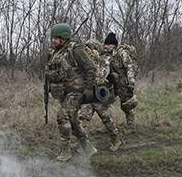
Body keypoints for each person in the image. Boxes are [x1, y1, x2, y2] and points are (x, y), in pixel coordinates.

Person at [45, 23, 97, 161]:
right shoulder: (55, 52)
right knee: (73, 122)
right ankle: (88, 148)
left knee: (62, 116)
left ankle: (65, 151)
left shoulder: (75, 49)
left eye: (56, 38)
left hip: (76, 91)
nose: (53, 41)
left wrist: (88, 88)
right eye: (53, 38)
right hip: (64, 92)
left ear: (64, 37)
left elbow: (91, 68)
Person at [78, 39, 123, 151]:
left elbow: (101, 76)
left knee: (105, 117)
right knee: (83, 118)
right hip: (89, 93)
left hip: (99, 93)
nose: (88, 51)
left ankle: (116, 139)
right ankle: (82, 145)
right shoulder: (85, 61)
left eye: (90, 48)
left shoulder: (104, 60)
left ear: (96, 49)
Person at [104, 32, 138, 130]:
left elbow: (129, 67)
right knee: (105, 103)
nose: (106, 46)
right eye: (105, 44)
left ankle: (130, 126)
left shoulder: (122, 53)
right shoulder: (106, 55)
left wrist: (131, 81)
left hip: (123, 83)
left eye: (108, 44)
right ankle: (110, 126)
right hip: (112, 83)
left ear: (113, 45)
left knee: (126, 105)